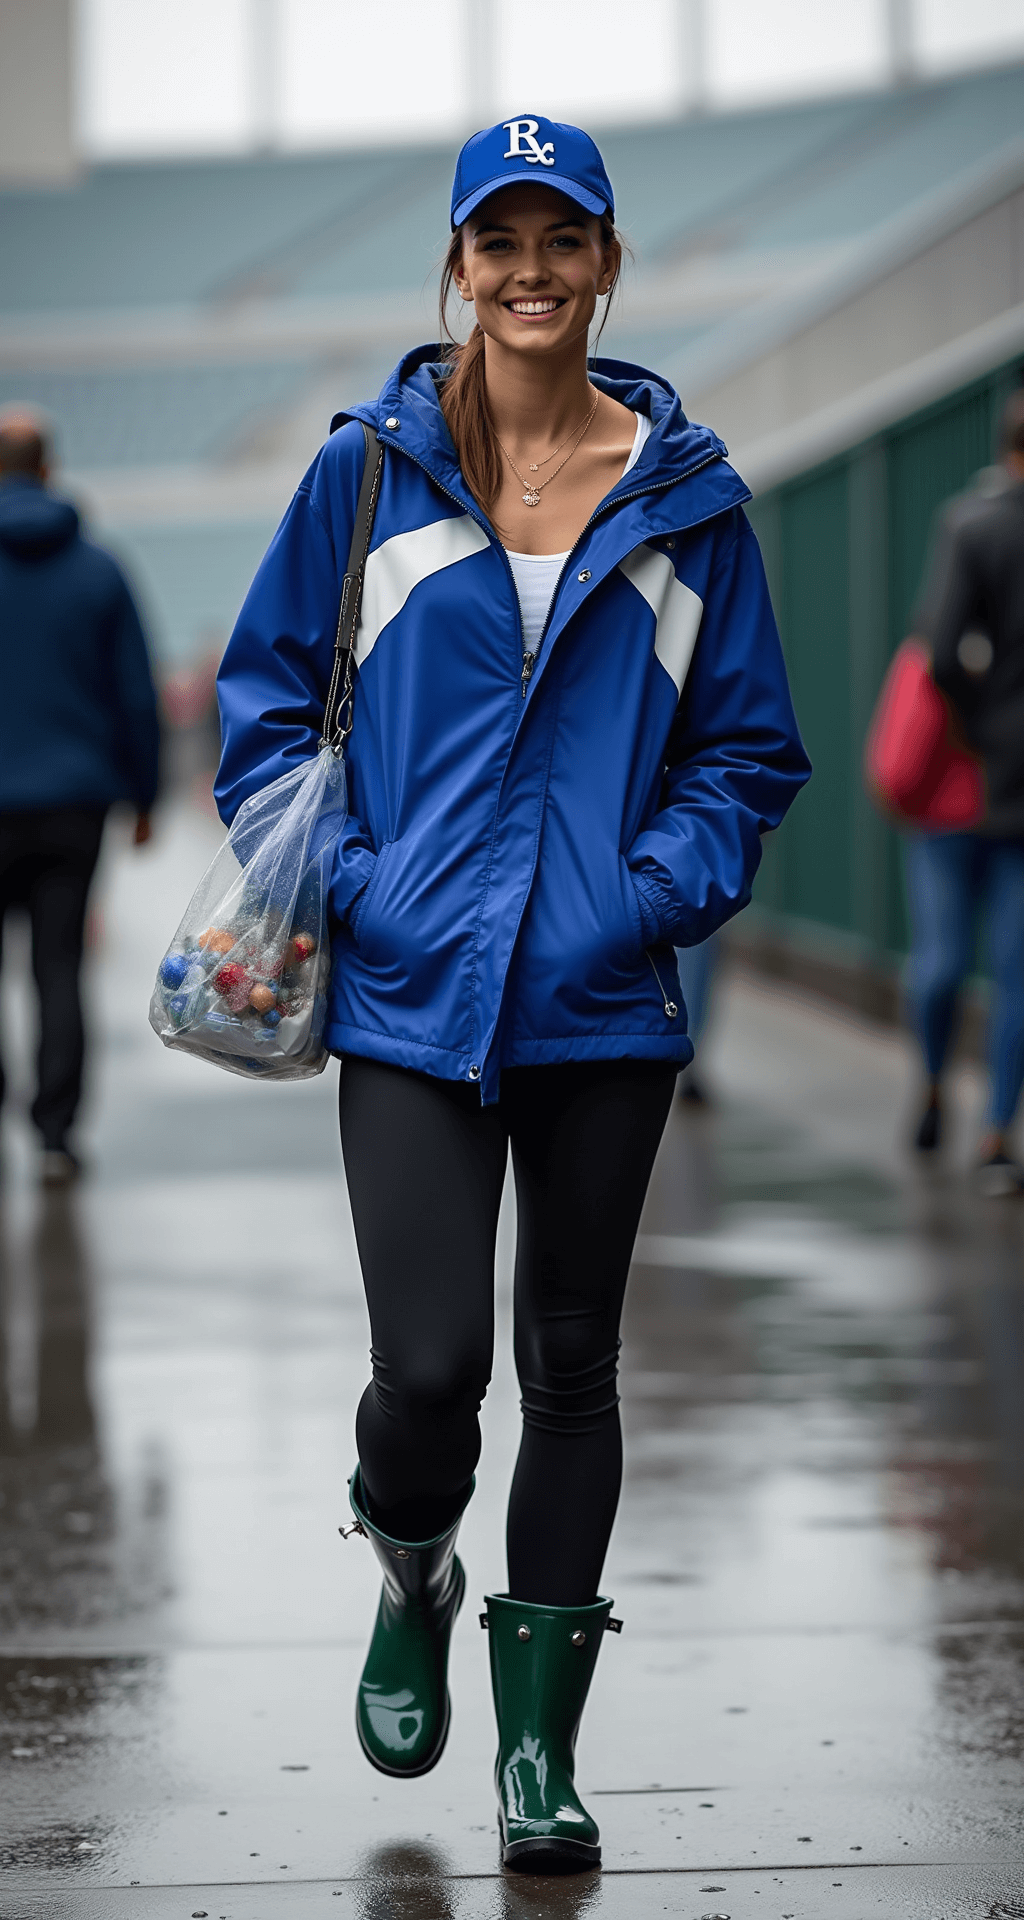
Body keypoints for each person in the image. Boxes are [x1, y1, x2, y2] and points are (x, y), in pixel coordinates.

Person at [215, 115, 810, 1872]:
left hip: (599, 1006)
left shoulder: (688, 502)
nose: (531, 270)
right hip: (403, 993)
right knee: (428, 1367)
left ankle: (535, 1760)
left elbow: (748, 754)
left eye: (564, 239)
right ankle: (408, 1558)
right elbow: (259, 718)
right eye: (500, 241)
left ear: (607, 263)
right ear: (457, 267)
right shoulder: (369, 474)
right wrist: (364, 886)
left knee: (569, 1366)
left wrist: (646, 898)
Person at [0, 409, 159, 1184]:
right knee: (59, 967)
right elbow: (135, 694)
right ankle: (55, 1136)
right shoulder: (99, 568)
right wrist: (145, 797)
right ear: (48, 468)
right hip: (73, 801)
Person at [905, 389, 1024, 1195]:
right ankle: (995, 1135)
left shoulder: (972, 524)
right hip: (1022, 791)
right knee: (1016, 970)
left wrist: (981, 727)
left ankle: (936, 1084)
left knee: (942, 959)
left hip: (957, 783)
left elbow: (939, 652)